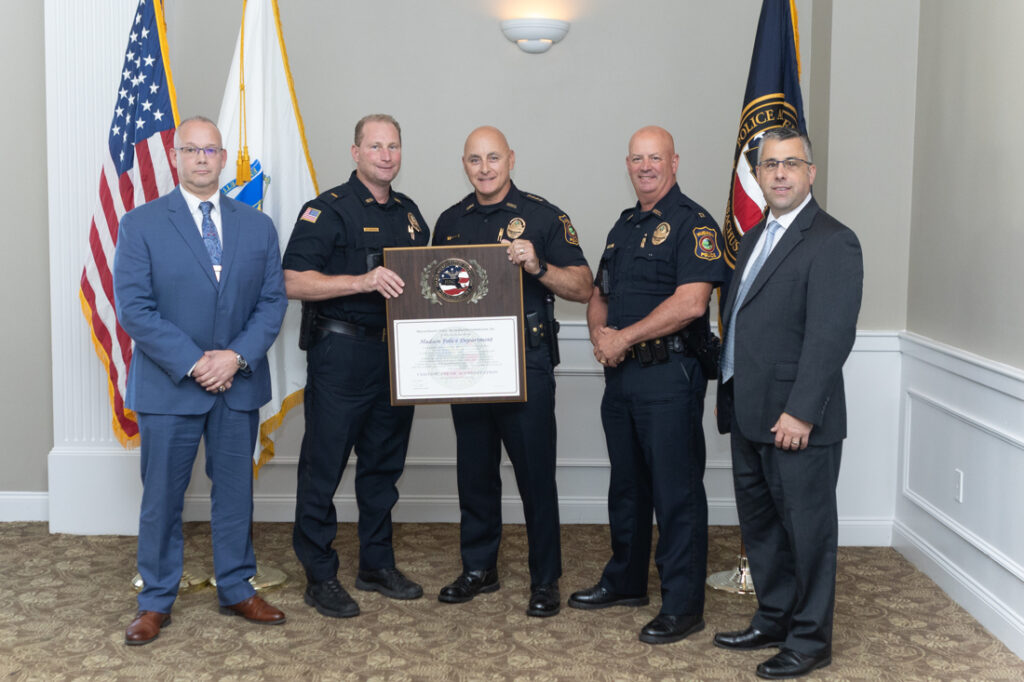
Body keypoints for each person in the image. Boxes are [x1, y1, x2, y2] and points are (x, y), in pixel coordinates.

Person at [113, 116, 289, 645]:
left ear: (222, 155)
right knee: (162, 497)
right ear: (174, 156)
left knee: (235, 493)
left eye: (211, 150)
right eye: (191, 149)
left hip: (237, 385)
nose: (202, 159)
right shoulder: (140, 224)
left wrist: (232, 358)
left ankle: (237, 586)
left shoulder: (256, 225)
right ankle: (155, 599)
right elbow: (136, 310)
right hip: (170, 386)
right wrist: (196, 363)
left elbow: (271, 301)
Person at [713, 127, 863, 679]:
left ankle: (809, 640)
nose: (779, 174)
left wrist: (801, 410)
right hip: (749, 412)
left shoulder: (832, 240)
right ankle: (774, 617)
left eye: (791, 164)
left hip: (796, 419)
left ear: (810, 173)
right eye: (769, 165)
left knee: (808, 532)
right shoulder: (755, 236)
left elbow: (830, 337)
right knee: (764, 530)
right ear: (757, 174)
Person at [568, 126, 727, 644]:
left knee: (676, 493)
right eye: (636, 159)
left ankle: (683, 605)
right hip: (623, 377)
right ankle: (626, 582)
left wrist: (625, 337)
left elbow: (692, 303)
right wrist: (599, 333)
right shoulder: (623, 226)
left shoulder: (694, 224)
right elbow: (599, 292)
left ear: (674, 162)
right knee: (628, 486)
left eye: (654, 158)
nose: (645, 167)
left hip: (669, 375)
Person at [432, 126, 592, 617]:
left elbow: (584, 287)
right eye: (475, 159)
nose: (484, 168)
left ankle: (545, 580)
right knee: (475, 475)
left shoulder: (544, 217)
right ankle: (479, 568)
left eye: (493, 158)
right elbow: (436, 297)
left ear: (511, 160)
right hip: (468, 367)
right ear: (464, 164)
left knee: (535, 477)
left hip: (527, 365)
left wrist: (538, 266)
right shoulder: (449, 222)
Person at [283, 114, 429, 619]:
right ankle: (319, 575)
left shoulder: (411, 215)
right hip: (341, 354)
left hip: (397, 354)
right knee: (323, 467)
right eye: (375, 147)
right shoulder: (327, 211)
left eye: (393, 146)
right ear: (355, 152)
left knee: (383, 468)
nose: (385, 155)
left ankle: (376, 564)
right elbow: (294, 282)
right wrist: (360, 282)